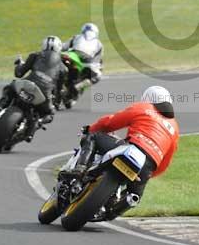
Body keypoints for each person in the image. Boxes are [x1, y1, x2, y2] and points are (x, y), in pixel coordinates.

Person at [71, 85, 179, 219]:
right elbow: (165, 162)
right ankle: (112, 210)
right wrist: (149, 173)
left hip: (133, 148)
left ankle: (80, 169)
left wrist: (91, 129)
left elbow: (110, 123)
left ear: (147, 98)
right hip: (149, 166)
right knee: (134, 197)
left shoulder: (144, 107)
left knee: (94, 137)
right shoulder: (174, 128)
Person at [0, 36, 67, 139]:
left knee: (10, 87)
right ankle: (32, 130)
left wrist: (19, 64)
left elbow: (19, 73)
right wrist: (56, 103)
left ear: (43, 46)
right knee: (49, 114)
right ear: (59, 48)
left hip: (27, 84)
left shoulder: (35, 55)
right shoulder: (63, 68)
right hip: (44, 94)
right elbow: (59, 90)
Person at [62, 23, 103, 98]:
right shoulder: (99, 44)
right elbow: (97, 62)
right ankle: (77, 87)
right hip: (85, 63)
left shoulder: (76, 37)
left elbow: (63, 47)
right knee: (97, 76)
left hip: (72, 56)